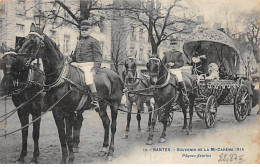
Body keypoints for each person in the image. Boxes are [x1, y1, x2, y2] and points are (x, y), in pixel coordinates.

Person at [69, 19, 102, 110]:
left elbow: (98, 57)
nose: (84, 31)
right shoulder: (79, 42)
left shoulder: (94, 41)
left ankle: (95, 100)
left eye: (86, 30)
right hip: (79, 64)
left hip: (88, 65)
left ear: (90, 30)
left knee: (88, 78)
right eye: (82, 30)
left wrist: (95, 69)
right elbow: (75, 55)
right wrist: (70, 59)